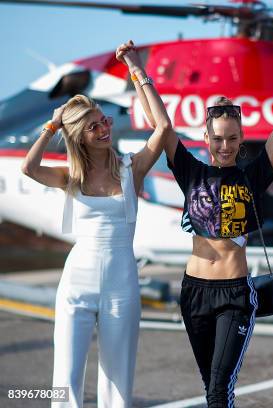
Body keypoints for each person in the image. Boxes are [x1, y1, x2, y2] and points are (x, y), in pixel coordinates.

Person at [20, 40, 173, 407]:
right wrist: (52, 124)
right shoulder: (69, 176)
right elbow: (29, 167)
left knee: (118, 382)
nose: (104, 128)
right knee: (66, 379)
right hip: (77, 282)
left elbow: (164, 127)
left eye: (103, 120)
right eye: (93, 126)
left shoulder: (131, 168)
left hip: (122, 281)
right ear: (78, 137)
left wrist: (136, 68)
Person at [163, 41, 273, 408]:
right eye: (218, 138)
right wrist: (139, 72)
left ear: (242, 138)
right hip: (194, 292)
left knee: (219, 387)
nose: (225, 146)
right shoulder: (190, 172)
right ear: (206, 138)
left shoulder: (253, 175)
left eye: (232, 138)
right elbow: (162, 127)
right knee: (210, 384)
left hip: (234, 294)